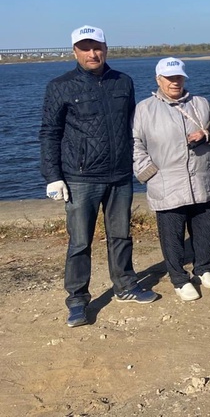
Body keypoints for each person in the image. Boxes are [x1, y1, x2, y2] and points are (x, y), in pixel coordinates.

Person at [40, 25, 158, 327]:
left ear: (106, 48)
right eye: (85, 48)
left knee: (121, 236)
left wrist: (141, 161)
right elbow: (50, 133)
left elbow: (133, 127)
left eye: (98, 47)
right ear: (75, 52)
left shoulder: (123, 82)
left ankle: (125, 285)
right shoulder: (60, 86)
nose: (93, 53)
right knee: (80, 241)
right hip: (80, 178)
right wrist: (53, 176)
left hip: (119, 176)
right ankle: (78, 300)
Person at [133, 58, 210, 302]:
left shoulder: (201, 103)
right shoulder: (145, 108)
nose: (175, 82)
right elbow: (134, 144)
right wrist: (149, 172)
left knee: (202, 227)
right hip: (166, 181)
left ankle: (204, 268)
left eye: (178, 77)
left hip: (200, 178)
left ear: (184, 78)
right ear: (158, 80)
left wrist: (208, 134)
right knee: (172, 233)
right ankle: (178, 278)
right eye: (169, 78)